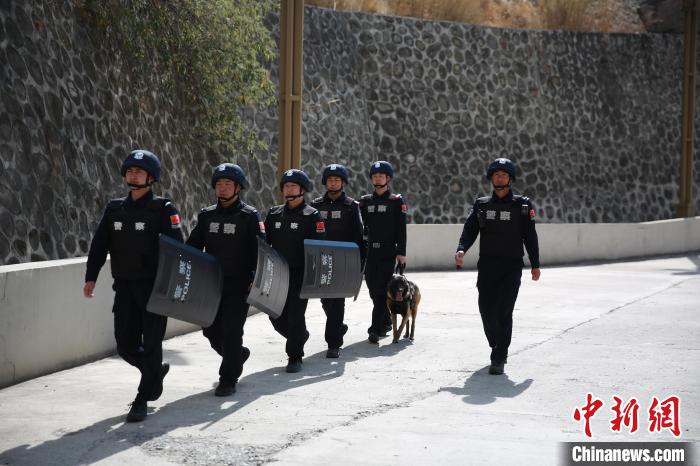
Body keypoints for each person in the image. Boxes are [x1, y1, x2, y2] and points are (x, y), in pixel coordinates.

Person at [83, 149, 183, 422]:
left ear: (151, 177)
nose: (133, 175)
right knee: (125, 345)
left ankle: (142, 399)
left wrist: (174, 287)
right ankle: (154, 372)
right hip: (124, 287)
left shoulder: (163, 209)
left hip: (154, 289)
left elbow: (178, 250)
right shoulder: (115, 209)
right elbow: (99, 245)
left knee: (151, 345)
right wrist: (91, 276)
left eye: (139, 171)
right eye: (130, 170)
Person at [454, 157, 541, 375]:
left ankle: (499, 356)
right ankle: (496, 341)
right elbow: (470, 229)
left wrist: (535, 264)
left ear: (510, 179)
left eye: (504, 175)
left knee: (504, 310)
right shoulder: (482, 205)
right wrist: (462, 248)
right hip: (487, 265)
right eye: (496, 174)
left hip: (512, 266)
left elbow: (530, 236)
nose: (500, 178)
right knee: (486, 309)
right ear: (491, 178)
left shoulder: (522, 206)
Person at [186, 163, 264, 396]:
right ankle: (237, 355)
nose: (222, 188)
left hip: (239, 285)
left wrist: (255, 278)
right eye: (218, 184)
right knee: (210, 330)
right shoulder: (207, 216)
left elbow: (261, 251)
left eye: (228, 184)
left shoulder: (249, 217)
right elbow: (192, 246)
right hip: (212, 285)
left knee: (231, 331)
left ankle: (228, 378)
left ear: (238, 187)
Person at [264, 169, 325, 373]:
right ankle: (300, 335)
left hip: (301, 274)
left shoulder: (312, 215)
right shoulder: (274, 214)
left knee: (296, 315)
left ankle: (294, 356)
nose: (289, 189)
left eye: (293, 186)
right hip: (278, 274)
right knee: (275, 316)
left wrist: (315, 275)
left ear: (302, 189)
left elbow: (319, 247)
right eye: (286, 186)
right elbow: (264, 243)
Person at [310, 164, 365, 358]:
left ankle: (334, 343)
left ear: (343, 183)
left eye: (337, 180)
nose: (333, 183)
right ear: (325, 182)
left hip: (343, 260)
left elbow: (359, 235)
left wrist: (359, 261)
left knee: (337, 301)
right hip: (322, 260)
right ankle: (338, 326)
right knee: (326, 300)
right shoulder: (316, 205)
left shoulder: (351, 206)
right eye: (330, 180)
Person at [359, 161, 407, 344]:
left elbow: (401, 229)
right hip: (370, 252)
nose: (377, 178)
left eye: (381, 176)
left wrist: (401, 252)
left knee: (381, 290)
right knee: (373, 290)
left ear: (388, 178)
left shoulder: (396, 201)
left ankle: (375, 329)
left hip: (388, 251)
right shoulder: (365, 202)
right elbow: (359, 227)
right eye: (375, 176)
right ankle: (386, 321)